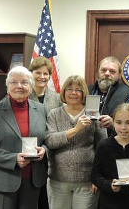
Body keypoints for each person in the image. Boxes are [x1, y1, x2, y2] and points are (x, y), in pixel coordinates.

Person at [0, 66, 48, 209]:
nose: (19, 86)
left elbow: (46, 140)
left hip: (32, 183)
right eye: (14, 82)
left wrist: (44, 150)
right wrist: (13, 159)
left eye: (24, 82)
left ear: (31, 86)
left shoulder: (40, 109)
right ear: (7, 86)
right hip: (2, 183)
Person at [45, 75, 107, 209]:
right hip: (58, 180)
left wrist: (98, 178)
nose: (73, 93)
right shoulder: (54, 114)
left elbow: (103, 148)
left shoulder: (93, 114)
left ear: (84, 93)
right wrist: (76, 129)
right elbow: (50, 141)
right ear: (64, 92)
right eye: (70, 89)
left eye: (78, 90)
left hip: (87, 181)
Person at [91, 103, 129, 209]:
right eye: (119, 123)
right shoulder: (104, 146)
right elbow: (95, 175)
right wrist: (109, 185)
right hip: (109, 203)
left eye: (128, 123)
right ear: (113, 122)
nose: (123, 127)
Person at [28, 57, 62, 209]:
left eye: (46, 73)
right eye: (38, 73)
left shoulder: (57, 99)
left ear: (50, 76)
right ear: (31, 73)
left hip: (50, 152)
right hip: (26, 150)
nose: (42, 77)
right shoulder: (23, 95)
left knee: (45, 199)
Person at [88, 56, 129, 134]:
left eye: (112, 71)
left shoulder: (128, 94)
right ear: (98, 72)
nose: (107, 74)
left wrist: (114, 124)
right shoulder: (86, 91)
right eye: (103, 70)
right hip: (88, 142)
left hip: (115, 142)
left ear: (119, 75)